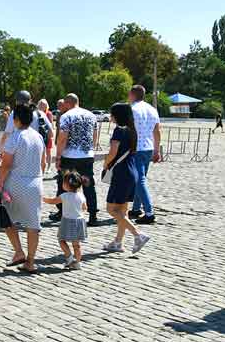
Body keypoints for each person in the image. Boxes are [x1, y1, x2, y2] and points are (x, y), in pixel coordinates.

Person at [0, 103, 46, 273]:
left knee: (6, 217)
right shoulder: (38, 136)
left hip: (16, 182)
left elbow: (6, 165)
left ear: (16, 119)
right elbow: (44, 162)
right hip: (35, 183)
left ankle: (18, 251)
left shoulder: (15, 137)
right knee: (33, 224)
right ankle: (30, 261)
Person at [102, 102, 150, 254]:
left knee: (111, 208)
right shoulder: (132, 130)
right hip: (132, 171)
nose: (110, 116)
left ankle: (138, 234)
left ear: (117, 115)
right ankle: (118, 242)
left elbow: (113, 151)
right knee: (123, 210)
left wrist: (105, 164)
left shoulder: (118, 130)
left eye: (112, 114)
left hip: (121, 172)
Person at [52, 93, 102, 227]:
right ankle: (93, 214)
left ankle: (62, 212)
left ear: (68, 103)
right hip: (87, 155)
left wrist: (58, 156)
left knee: (64, 183)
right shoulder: (91, 115)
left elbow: (62, 138)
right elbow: (95, 135)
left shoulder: (66, 116)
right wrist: (90, 150)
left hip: (70, 156)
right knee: (88, 185)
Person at [128, 85, 162, 224]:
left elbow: (129, 131)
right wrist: (157, 150)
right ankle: (136, 209)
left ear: (132, 94)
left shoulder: (132, 109)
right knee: (140, 179)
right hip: (148, 148)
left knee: (139, 180)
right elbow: (157, 131)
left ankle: (149, 212)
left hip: (136, 148)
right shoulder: (152, 109)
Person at [44, 170, 89, 269]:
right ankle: (77, 263)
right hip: (79, 221)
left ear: (66, 185)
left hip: (67, 221)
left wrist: (42, 198)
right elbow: (85, 208)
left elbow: (52, 201)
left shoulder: (64, 196)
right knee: (76, 245)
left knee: (61, 240)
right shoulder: (81, 195)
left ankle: (69, 257)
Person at [36, 99, 55, 171]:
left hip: (47, 135)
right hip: (39, 135)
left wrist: (50, 134)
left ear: (46, 106)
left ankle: (49, 167)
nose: (42, 106)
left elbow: (51, 125)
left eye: (44, 105)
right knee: (39, 151)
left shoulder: (49, 113)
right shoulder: (36, 113)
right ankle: (40, 166)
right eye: (41, 104)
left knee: (48, 151)